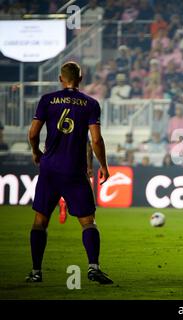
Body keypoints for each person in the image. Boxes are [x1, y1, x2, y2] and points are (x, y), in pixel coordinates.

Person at [26, 61, 113, 284]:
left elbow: (33, 133)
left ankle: (36, 272)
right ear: (81, 79)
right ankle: (93, 268)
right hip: (74, 170)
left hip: (50, 169)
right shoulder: (90, 104)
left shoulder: (47, 100)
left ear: (60, 79)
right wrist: (103, 165)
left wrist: (36, 152)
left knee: (40, 221)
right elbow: (96, 139)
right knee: (88, 221)